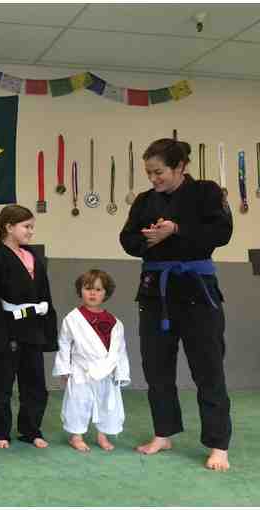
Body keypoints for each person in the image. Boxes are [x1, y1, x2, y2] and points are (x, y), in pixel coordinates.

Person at [119, 138, 233, 471]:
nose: (153, 179)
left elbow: (222, 232)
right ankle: (163, 433)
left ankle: (218, 445)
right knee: (157, 367)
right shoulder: (145, 201)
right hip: (156, 292)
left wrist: (177, 230)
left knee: (208, 369)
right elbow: (127, 239)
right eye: (149, 173)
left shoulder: (207, 192)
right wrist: (149, 239)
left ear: (180, 166)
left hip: (198, 291)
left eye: (159, 172)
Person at [0, 204, 58, 449]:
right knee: (1, 385)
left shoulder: (34, 257)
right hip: (8, 331)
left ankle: (31, 430)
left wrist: (48, 332)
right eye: (26, 226)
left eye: (32, 227)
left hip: (33, 330)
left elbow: (45, 297)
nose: (31, 231)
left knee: (35, 385)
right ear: (9, 227)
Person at [53, 269, 130, 452]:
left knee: (107, 403)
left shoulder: (114, 322)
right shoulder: (73, 318)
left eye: (98, 289)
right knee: (78, 401)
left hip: (107, 369)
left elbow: (120, 350)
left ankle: (102, 435)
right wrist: (64, 369)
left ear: (106, 293)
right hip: (82, 369)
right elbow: (64, 343)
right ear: (80, 291)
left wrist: (121, 372)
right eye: (88, 289)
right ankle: (76, 436)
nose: (93, 293)